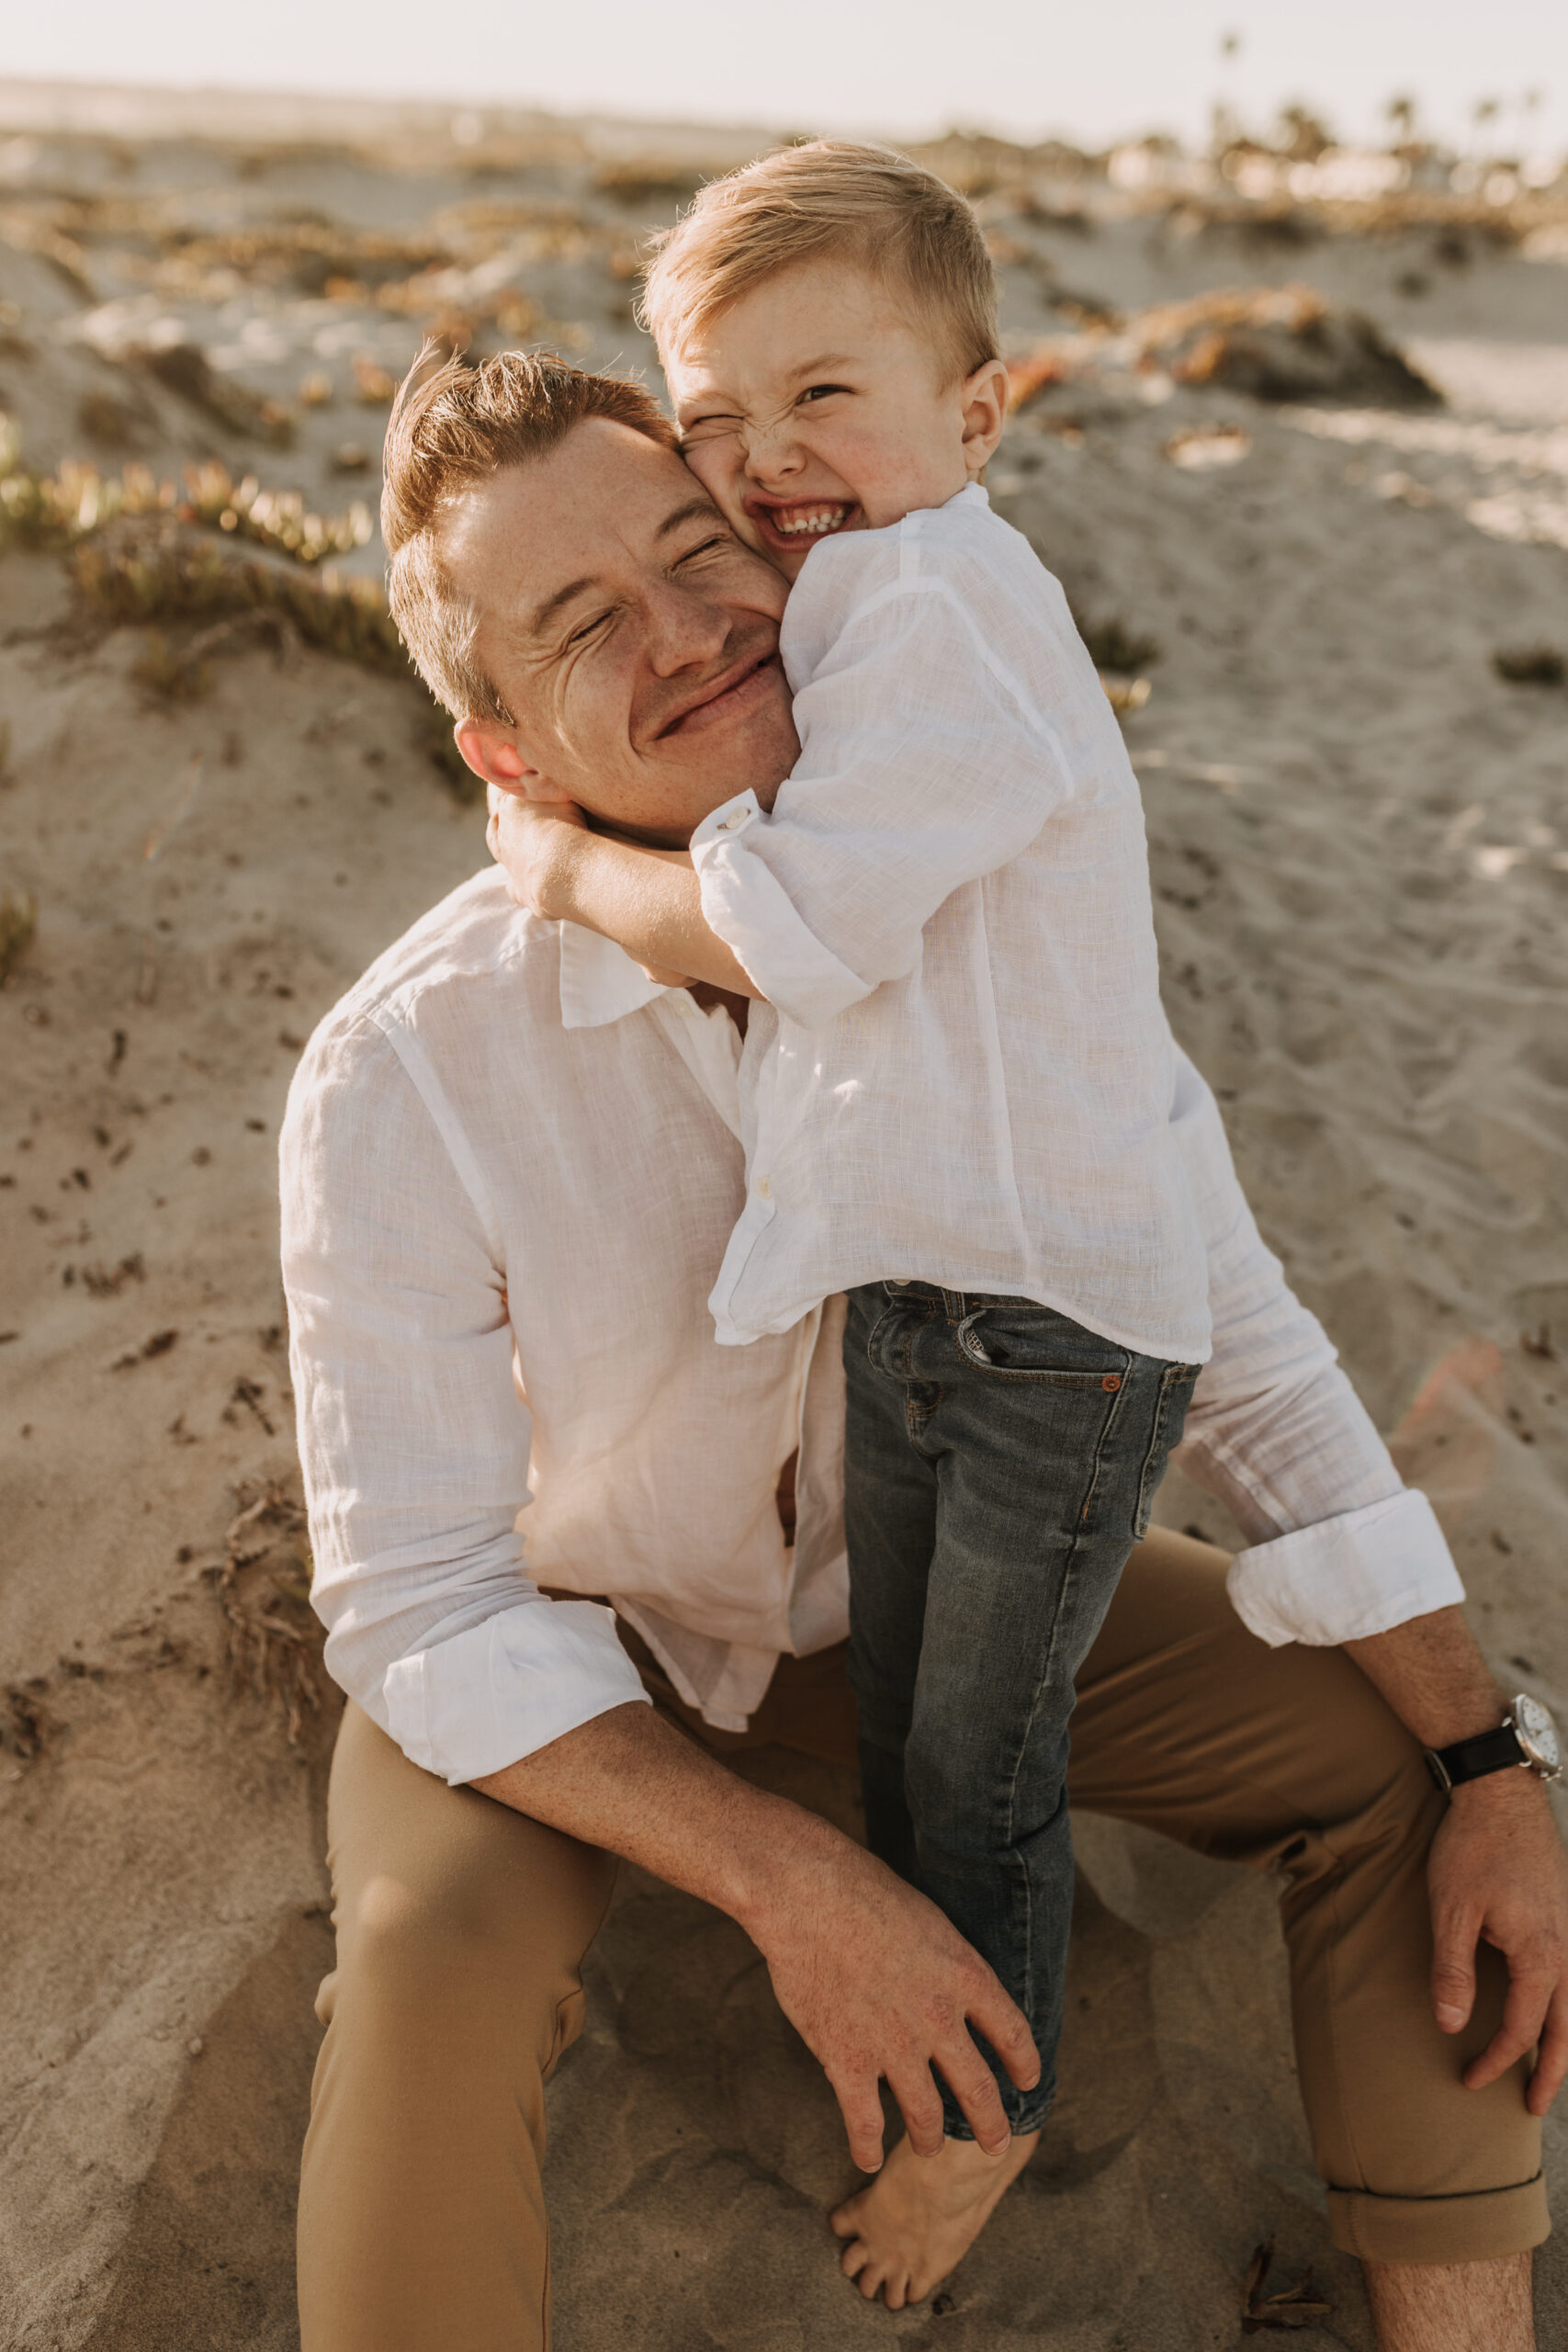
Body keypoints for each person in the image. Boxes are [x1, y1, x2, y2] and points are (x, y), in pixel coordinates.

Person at [282, 346, 1565, 2352]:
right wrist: (797, 1884)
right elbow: (416, 1592)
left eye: (702, 554)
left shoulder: (987, 919)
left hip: (924, 1584)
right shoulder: (404, 1066)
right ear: (507, 758)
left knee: (1396, 1759)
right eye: (581, 625)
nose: (689, 630)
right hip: (576, 1650)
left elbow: (1228, 1330)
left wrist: (1491, 1752)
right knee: (423, 1945)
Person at [483, 141, 1213, 2234]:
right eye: (718, 418)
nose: (768, 457)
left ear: (976, 414)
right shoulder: (855, 593)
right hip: (924, 1302)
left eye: (826, 397)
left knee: (976, 1766)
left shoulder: (952, 608)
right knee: (909, 1735)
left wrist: (565, 868)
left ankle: (987, 2120)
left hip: (1048, 1340)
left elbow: (793, 928)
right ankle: (945, 2026)